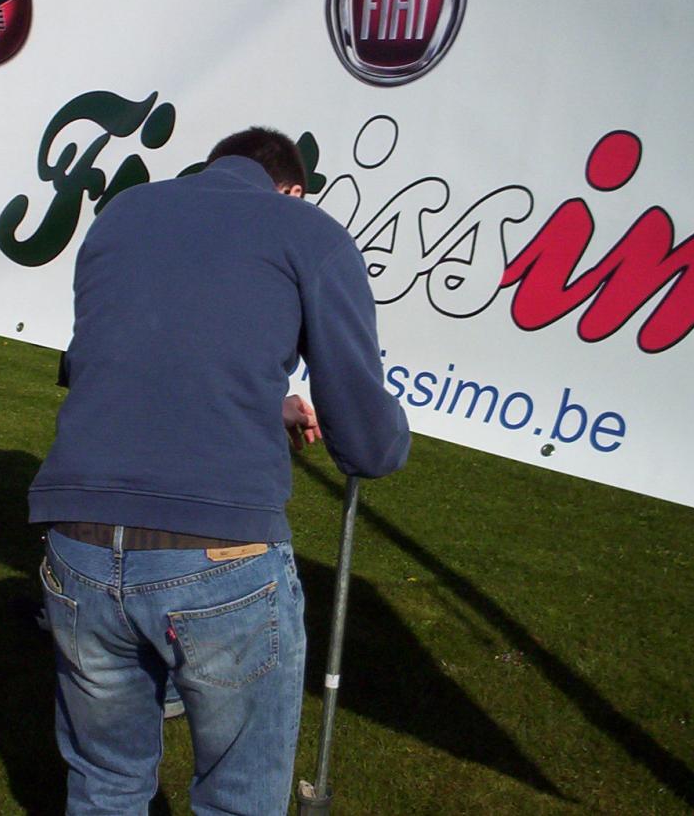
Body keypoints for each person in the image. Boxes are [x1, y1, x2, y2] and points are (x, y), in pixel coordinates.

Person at [28, 126, 409, 814]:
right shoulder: (308, 231)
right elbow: (366, 446)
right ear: (291, 188)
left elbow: (116, 358)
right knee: (239, 799)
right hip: (216, 554)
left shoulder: (124, 213)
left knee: (105, 785)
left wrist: (267, 403)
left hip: (78, 539)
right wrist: (384, 434)